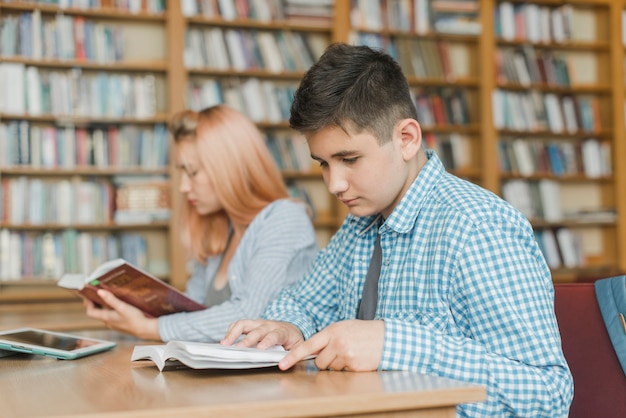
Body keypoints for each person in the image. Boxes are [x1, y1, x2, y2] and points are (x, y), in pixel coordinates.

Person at [221, 44, 574, 416]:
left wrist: (393, 343)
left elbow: (548, 394)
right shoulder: (360, 223)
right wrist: (288, 326)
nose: (334, 184)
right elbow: (304, 302)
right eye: (323, 164)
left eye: (349, 159)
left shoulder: (477, 228)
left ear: (406, 139)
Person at [84, 104, 318, 342]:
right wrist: (132, 308)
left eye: (193, 172)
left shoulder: (285, 218)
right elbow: (190, 310)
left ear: (230, 169)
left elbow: (249, 316)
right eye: (182, 172)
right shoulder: (220, 230)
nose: (184, 187)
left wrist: (149, 328)